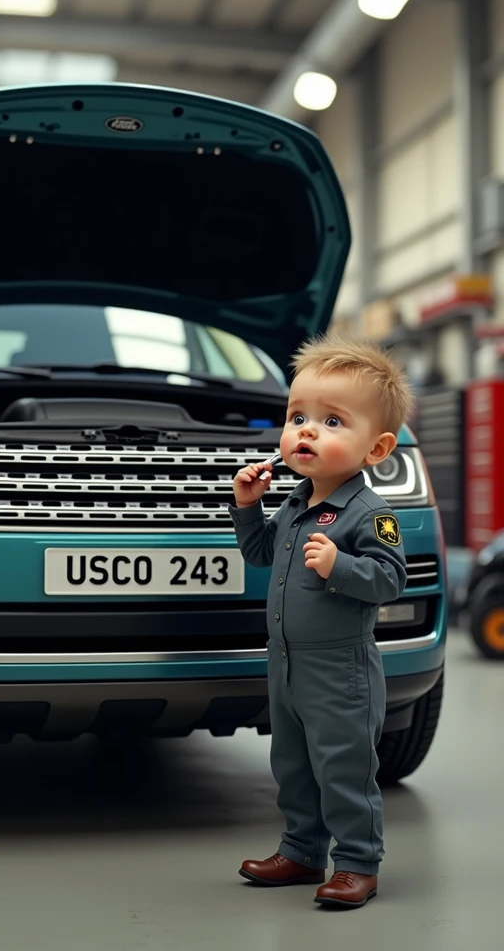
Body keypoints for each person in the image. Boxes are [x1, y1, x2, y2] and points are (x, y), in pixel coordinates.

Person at [229, 335, 412, 910]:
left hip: (342, 669)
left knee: (344, 765)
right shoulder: (294, 502)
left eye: (332, 422)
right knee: (292, 762)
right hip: (285, 663)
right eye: (298, 417)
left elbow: (390, 579)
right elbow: (260, 553)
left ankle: (358, 863)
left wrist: (340, 567)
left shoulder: (372, 515)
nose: (305, 431)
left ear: (376, 448)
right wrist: (247, 505)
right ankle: (302, 850)